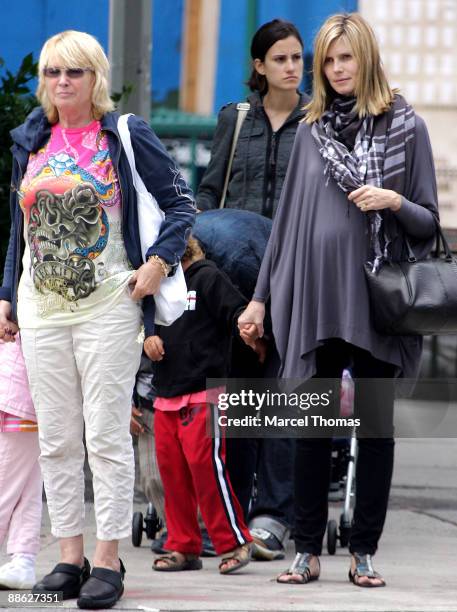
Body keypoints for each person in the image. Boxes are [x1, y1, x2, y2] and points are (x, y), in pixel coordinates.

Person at [239, 12, 438, 587]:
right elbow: (286, 228)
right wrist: (259, 300)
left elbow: (429, 221)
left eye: (345, 56)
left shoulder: (407, 127)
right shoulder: (311, 131)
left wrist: (393, 202)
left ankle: (364, 551)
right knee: (311, 428)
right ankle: (305, 550)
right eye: (327, 60)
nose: (336, 68)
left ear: (367, 57)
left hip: (378, 302)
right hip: (319, 299)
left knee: (374, 430)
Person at [0, 30, 195, 609]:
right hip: (41, 311)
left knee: (106, 437)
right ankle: (69, 556)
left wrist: (158, 264)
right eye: (55, 72)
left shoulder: (125, 134)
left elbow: (182, 204)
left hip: (107, 307)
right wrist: (8, 293)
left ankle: (108, 562)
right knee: (57, 440)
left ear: (96, 78)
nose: (64, 82)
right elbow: (21, 230)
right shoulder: (31, 139)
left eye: (76, 72)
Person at [196, 18, 308, 561]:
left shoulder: (321, 121)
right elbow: (210, 192)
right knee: (237, 393)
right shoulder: (234, 119)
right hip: (234, 278)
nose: (292, 66)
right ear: (259, 66)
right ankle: (231, 510)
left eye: (297, 57)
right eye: (280, 58)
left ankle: (274, 517)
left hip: (294, 274)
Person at [145, 238, 254, 575]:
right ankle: (183, 545)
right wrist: (147, 336)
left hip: (204, 392)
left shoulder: (207, 277)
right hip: (165, 394)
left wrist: (248, 325)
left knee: (206, 469)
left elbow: (238, 311)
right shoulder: (156, 285)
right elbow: (140, 322)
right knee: (172, 475)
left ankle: (235, 541)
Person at [0, 336, 42, 590]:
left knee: (5, 484)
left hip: (14, 397)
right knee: (28, 489)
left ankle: (23, 561)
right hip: (27, 399)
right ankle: (23, 561)